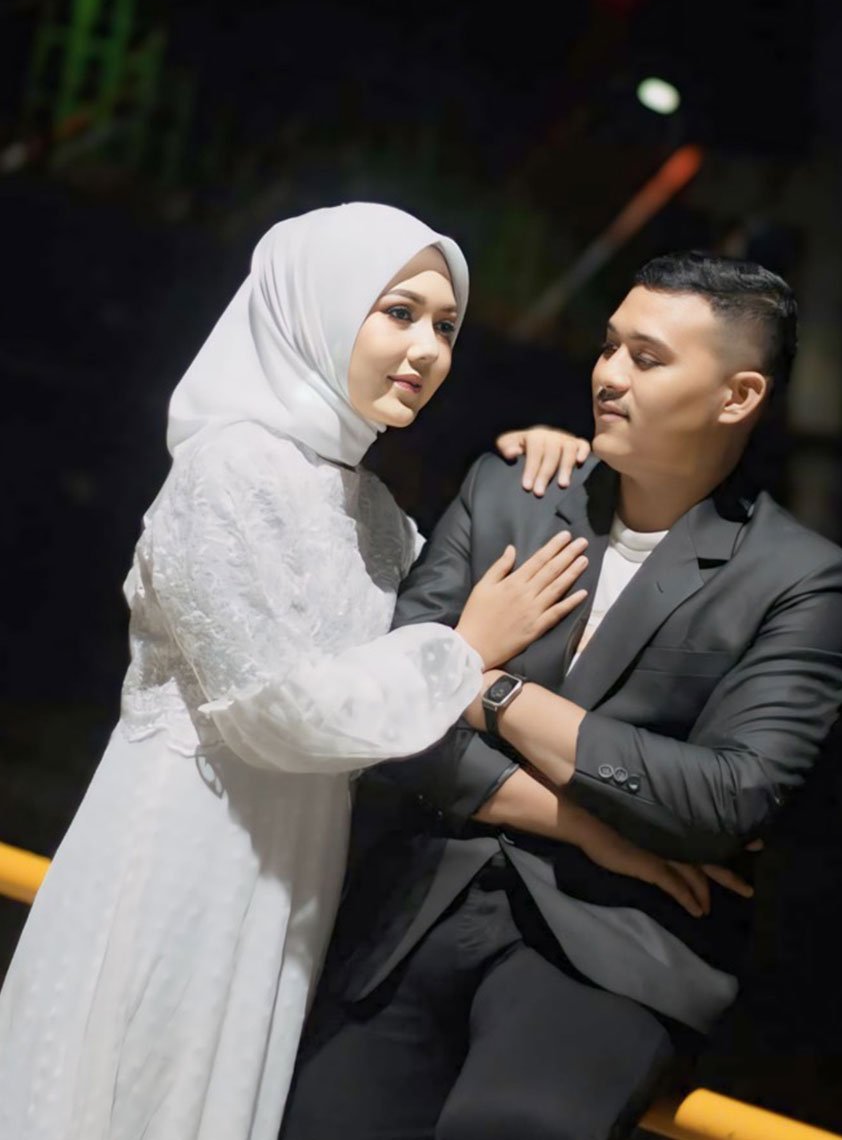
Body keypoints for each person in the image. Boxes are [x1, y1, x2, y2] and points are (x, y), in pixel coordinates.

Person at [0, 202, 591, 1140]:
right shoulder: (228, 467)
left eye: (446, 327)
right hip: (186, 853)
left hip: (295, 871)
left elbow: (449, 621)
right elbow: (277, 710)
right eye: (398, 313)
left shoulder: (372, 510)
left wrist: (551, 468)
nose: (428, 349)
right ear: (315, 308)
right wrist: (465, 648)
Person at [284, 252, 842, 1140]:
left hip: (616, 947)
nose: (608, 375)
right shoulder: (513, 490)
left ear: (738, 396)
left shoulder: (800, 578)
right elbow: (392, 716)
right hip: (412, 909)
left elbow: (726, 800)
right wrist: (586, 819)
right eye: (608, 347)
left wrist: (487, 686)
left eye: (647, 357)